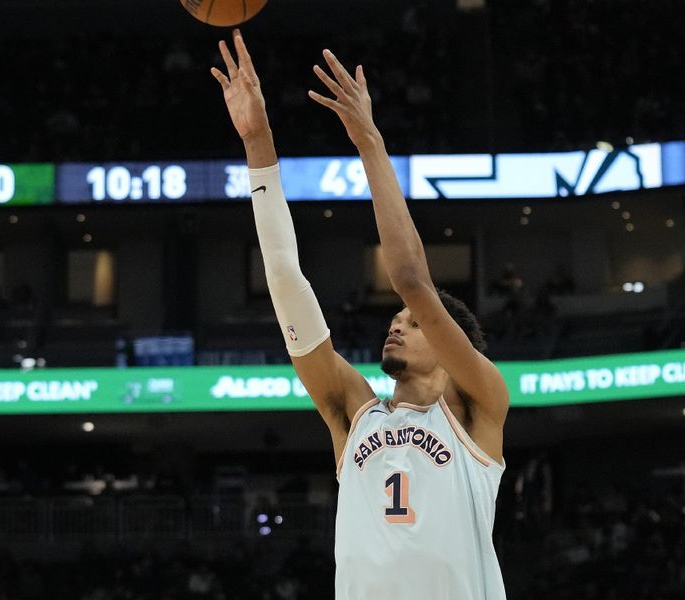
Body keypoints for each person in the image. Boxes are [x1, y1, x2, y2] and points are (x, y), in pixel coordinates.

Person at [211, 30, 510, 599]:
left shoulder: (478, 407)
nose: (396, 323)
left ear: (455, 351)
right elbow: (284, 278)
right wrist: (258, 144)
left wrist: (368, 140)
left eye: (415, 323)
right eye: (397, 318)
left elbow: (412, 280)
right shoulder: (354, 415)